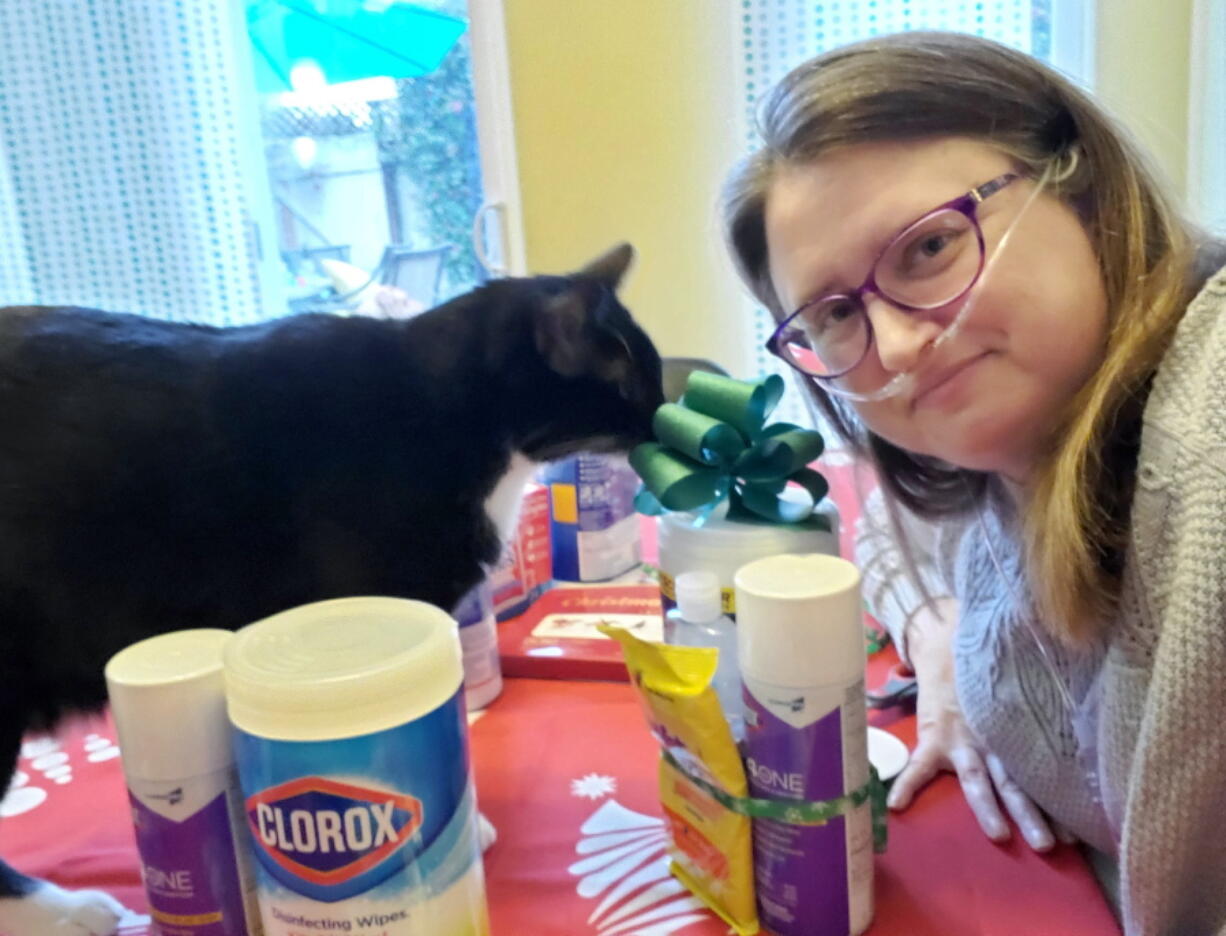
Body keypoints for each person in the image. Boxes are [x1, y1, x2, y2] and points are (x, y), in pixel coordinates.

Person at [721, 30, 1226, 936]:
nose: (903, 347)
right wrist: (939, 636)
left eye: (930, 248)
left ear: (1079, 185)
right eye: (836, 314)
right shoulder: (1011, 440)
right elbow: (889, 523)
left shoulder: (1203, 434)